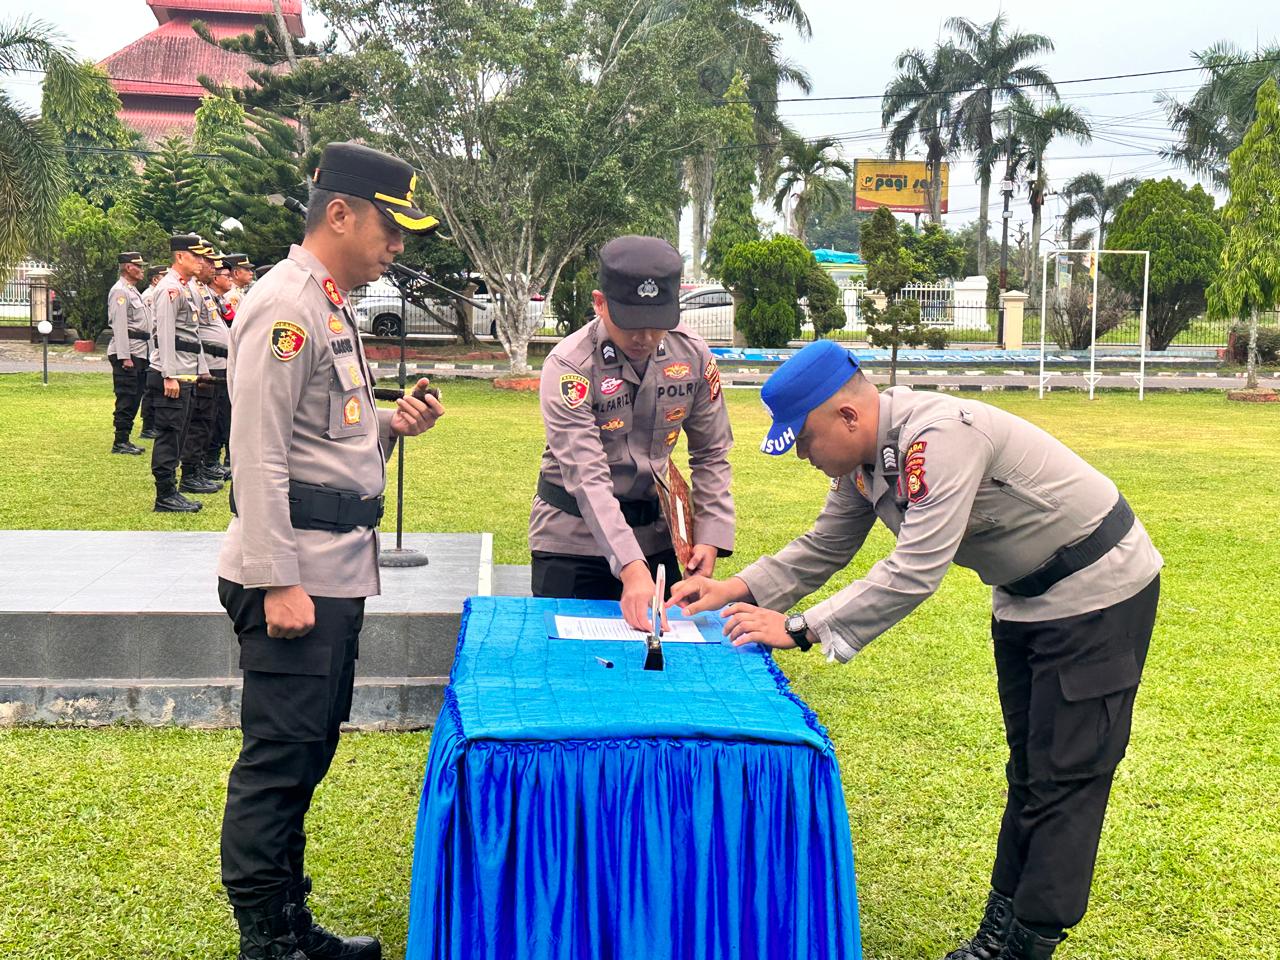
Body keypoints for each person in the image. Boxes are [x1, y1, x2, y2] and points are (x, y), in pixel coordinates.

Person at [670, 339, 1162, 960]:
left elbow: (916, 569)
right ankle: (998, 936)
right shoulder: (869, 458)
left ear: (848, 417)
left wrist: (798, 628)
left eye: (805, 439)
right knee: (1031, 771)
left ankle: (1029, 944)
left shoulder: (939, 437)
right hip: (1023, 597)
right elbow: (826, 543)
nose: (803, 454)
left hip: (1098, 590)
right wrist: (735, 588)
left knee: (1067, 776)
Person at [216, 141, 443, 960]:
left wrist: (387, 425)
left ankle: (292, 922)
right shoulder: (286, 305)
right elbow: (259, 453)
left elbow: (322, 441)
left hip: (333, 567)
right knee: (279, 762)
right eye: (392, 228)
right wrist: (277, 581)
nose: (399, 247)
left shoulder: (330, 300)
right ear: (340, 213)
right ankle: (265, 938)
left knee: (309, 750)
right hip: (296, 574)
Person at [529, 235, 734, 631]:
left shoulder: (692, 355)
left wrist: (710, 535)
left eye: (657, 324)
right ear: (600, 303)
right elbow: (587, 478)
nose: (645, 338)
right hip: (573, 543)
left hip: (657, 538)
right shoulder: (570, 366)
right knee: (574, 674)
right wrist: (629, 566)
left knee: (666, 668)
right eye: (631, 324)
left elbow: (712, 453)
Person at [147, 234, 210, 513]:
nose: (200, 261)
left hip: (186, 372)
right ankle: (165, 495)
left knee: (180, 434)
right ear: (180, 256)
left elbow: (192, 336)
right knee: (169, 434)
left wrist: (201, 371)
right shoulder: (169, 289)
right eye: (195, 256)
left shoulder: (186, 288)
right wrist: (168, 374)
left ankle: (172, 490)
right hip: (171, 374)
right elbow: (166, 334)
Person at [179, 242, 225, 495]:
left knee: (209, 420)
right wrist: (202, 368)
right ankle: (190, 473)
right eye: (207, 261)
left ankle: (200, 469)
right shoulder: (190, 291)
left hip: (215, 365)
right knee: (199, 422)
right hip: (206, 365)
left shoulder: (202, 291)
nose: (212, 267)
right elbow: (194, 334)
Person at [106, 252, 151, 455]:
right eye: (138, 266)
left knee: (135, 397)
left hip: (139, 351)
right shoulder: (120, 292)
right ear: (127, 268)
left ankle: (125, 439)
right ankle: (120, 441)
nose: (142, 270)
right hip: (129, 352)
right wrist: (125, 356)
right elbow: (120, 325)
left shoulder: (133, 291)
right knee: (126, 397)